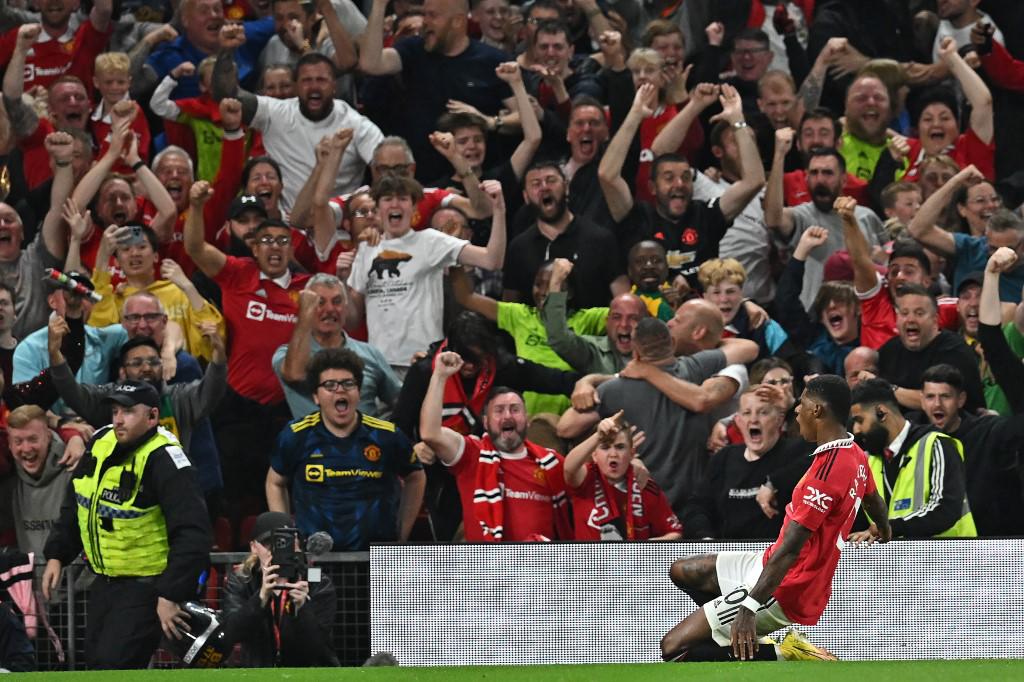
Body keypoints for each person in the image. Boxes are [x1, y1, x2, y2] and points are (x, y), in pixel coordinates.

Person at [660, 375, 890, 663]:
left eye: (802, 403)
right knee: (683, 570)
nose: (796, 410)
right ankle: (743, 637)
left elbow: (791, 551)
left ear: (817, 410)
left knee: (672, 648)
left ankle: (783, 651)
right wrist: (883, 529)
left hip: (786, 586)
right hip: (769, 562)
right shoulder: (853, 453)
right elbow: (874, 500)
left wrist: (748, 608)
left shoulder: (824, 476)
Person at [41, 381, 213, 669]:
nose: (118, 419)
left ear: (153, 417)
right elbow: (78, 502)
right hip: (105, 583)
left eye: (129, 412)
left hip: (146, 587)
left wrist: (170, 594)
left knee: (113, 666)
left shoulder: (166, 458)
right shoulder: (99, 441)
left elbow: (193, 533)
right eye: (115, 410)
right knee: (96, 664)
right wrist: (57, 554)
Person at [266, 348, 426, 550]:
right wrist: (288, 539)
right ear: (316, 396)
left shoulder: (387, 436)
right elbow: (275, 482)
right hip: (315, 558)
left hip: (376, 558)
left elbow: (416, 477)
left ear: (358, 391)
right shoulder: (297, 435)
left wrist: (401, 535)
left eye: (348, 384)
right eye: (329, 385)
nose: (340, 390)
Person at [346, 174, 507, 374]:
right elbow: (351, 321)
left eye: (403, 199)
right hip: (379, 367)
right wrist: (343, 278)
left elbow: (492, 260)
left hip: (423, 361)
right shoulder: (366, 248)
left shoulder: (431, 241)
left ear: (414, 209)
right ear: (378, 210)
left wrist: (499, 209)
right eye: (388, 199)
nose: (395, 204)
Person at [419, 352, 573, 542]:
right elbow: (430, 433)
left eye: (515, 409)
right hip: (487, 567)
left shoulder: (551, 462)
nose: (507, 416)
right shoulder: (472, 454)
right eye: (499, 410)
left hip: (539, 568)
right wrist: (440, 376)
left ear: (527, 420)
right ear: (485, 422)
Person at [212, 43, 384, 210]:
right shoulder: (275, 113)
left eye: (321, 80)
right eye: (307, 80)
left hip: (339, 230)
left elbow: (387, 168)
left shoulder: (357, 125)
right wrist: (226, 51)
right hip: (284, 230)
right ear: (296, 86)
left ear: (334, 86)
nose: (314, 87)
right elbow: (228, 95)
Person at [764, 134, 884, 312]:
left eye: (827, 173)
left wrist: (882, 259)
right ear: (806, 178)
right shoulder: (802, 216)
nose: (819, 180)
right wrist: (779, 155)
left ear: (844, 179)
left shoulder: (867, 216)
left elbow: (885, 261)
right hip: (815, 318)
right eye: (813, 173)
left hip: (862, 314)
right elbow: (773, 218)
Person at [849, 377, 976, 538]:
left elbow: (945, 509)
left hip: (954, 558)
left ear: (881, 413)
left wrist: (889, 527)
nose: (856, 429)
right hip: (902, 559)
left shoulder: (936, 444)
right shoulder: (870, 461)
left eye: (860, 420)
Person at [683, 388, 812, 540]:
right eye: (746, 413)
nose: (754, 419)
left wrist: (774, 482)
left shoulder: (796, 452)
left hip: (775, 555)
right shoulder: (724, 458)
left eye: (763, 412)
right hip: (727, 553)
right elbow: (697, 507)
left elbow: (829, 449)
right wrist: (705, 538)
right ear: (738, 421)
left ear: (779, 419)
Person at [220, 511, 340, 667]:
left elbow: (316, 647)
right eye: (269, 543)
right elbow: (232, 633)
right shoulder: (241, 580)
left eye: (285, 543)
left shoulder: (316, 581)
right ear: (254, 547)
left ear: (296, 544)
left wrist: (302, 609)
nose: (276, 550)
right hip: (260, 672)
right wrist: (261, 598)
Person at [274, 275, 401, 420]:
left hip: (368, 440)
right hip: (314, 441)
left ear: (346, 308)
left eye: (337, 302)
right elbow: (295, 375)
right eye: (320, 302)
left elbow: (399, 400)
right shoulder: (286, 355)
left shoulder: (370, 353)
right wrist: (304, 314)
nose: (329, 309)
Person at [920, 364, 1024, 537]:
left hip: (990, 541)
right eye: (930, 397)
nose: (937, 404)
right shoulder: (915, 437)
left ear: (960, 399)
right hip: (937, 546)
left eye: (945, 396)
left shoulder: (987, 431)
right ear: (922, 401)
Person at [564, 411, 682, 541]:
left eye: (620, 447)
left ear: (632, 453)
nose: (613, 454)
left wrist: (643, 549)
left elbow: (674, 533)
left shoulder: (645, 486)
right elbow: (569, 468)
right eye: (605, 447)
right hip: (589, 560)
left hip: (632, 560)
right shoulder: (586, 478)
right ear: (594, 455)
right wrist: (598, 435)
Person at [0, 406, 77, 557]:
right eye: (18, 441)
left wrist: (75, 435)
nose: (26, 448)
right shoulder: (8, 484)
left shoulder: (75, 471)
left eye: (33, 439)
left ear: (48, 436)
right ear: (9, 444)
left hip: (75, 578)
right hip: (27, 578)